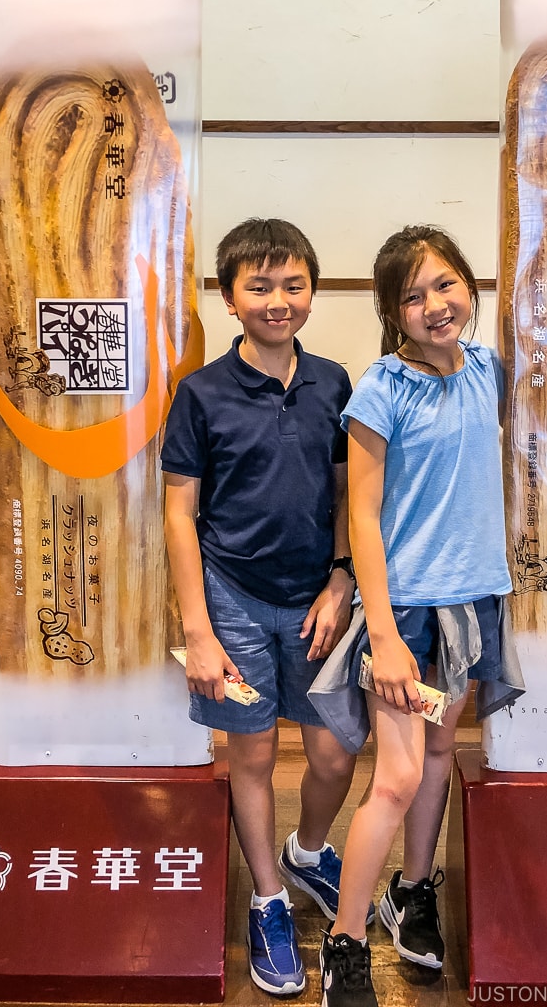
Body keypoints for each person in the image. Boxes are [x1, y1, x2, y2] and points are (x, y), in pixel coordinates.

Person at [317, 224, 526, 1007]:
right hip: (403, 615)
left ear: (467, 286)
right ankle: (343, 943)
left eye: (445, 285)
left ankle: (412, 892)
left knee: (441, 756)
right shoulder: (380, 389)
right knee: (398, 776)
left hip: (472, 602)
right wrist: (380, 634)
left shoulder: (487, 369)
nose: (435, 305)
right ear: (391, 311)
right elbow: (361, 516)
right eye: (413, 296)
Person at [162, 217, 363, 997]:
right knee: (249, 758)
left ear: (311, 291)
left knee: (334, 755)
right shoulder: (201, 393)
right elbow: (181, 512)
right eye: (259, 286)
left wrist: (342, 577)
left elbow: (353, 494)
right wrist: (198, 631)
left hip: (319, 600)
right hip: (233, 602)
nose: (278, 300)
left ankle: (309, 852)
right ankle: (268, 900)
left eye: (293, 284)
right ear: (228, 297)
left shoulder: (337, 383)